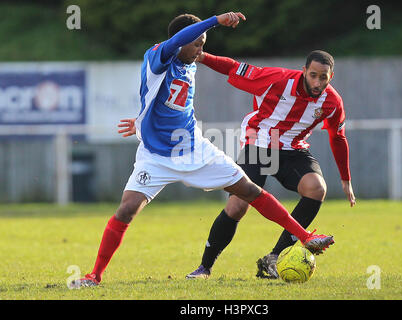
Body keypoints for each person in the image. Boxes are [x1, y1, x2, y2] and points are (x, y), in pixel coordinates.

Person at [71, 12, 334, 288]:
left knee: (250, 191)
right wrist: (215, 20)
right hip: (155, 157)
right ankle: (94, 276)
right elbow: (175, 47)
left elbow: (169, 104)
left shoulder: (189, 65)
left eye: (203, 44)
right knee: (127, 209)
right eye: (196, 43)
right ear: (179, 41)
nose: (200, 50)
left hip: (194, 148)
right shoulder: (157, 58)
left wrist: (141, 120)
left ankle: (305, 237)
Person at [181, 49, 356, 279]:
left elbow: (337, 137)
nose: (317, 81)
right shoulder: (276, 79)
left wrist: (346, 179)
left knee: (317, 188)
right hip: (260, 146)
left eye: (323, 77)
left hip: (293, 150)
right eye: (313, 75)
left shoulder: (332, 101)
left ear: (330, 76)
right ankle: (205, 267)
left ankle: (273, 259)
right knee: (237, 207)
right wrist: (203, 57)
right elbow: (233, 67)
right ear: (304, 71)